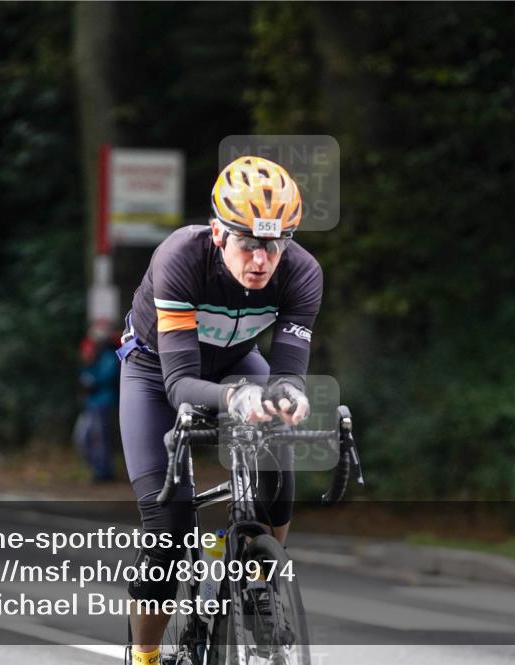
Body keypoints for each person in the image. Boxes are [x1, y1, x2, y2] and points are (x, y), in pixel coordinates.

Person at [116, 155, 322, 664]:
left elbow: (288, 373)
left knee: (278, 458)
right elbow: (181, 384)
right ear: (217, 233)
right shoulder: (180, 259)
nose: (261, 259)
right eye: (249, 242)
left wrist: (289, 397)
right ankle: (144, 655)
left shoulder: (302, 273)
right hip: (155, 369)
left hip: (234, 362)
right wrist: (236, 398)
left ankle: (263, 574)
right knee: (169, 525)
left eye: (274, 245)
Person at [73, 322, 120, 482]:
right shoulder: (94, 354)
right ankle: (98, 469)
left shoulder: (109, 355)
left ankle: (104, 472)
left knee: (99, 439)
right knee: (83, 437)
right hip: (91, 403)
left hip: (103, 401)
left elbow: (107, 377)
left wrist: (91, 381)